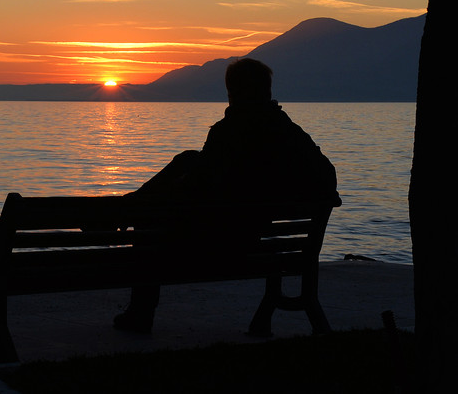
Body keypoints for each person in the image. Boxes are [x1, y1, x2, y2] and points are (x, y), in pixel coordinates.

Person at [114, 57, 340, 332]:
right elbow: (328, 180)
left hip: (220, 243)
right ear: (266, 92)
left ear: (232, 93)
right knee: (187, 159)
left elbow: (194, 189)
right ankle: (124, 209)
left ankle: (139, 307)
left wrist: (149, 203)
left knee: (148, 221)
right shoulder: (289, 133)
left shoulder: (228, 133)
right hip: (263, 244)